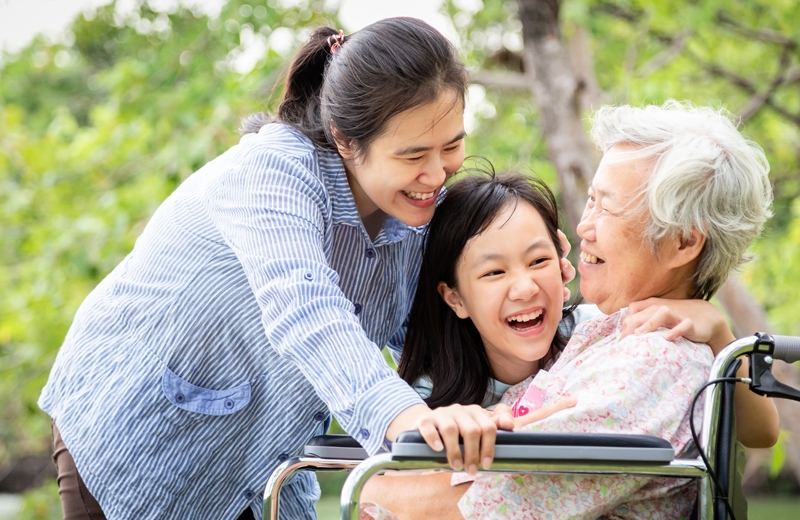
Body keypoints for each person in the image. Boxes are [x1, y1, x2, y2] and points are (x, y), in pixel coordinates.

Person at [39, 18, 508, 520]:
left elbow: (435, 335)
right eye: (413, 154)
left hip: (264, 454)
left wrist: (531, 278)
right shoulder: (271, 172)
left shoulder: (417, 212)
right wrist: (407, 419)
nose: (437, 176)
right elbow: (307, 312)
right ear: (345, 141)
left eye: (452, 147)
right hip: (137, 436)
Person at [360, 100, 777, 519]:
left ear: (683, 243)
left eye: (607, 207)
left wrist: (723, 339)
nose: (582, 227)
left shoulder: (651, 362)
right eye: (590, 201)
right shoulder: (602, 337)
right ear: (455, 297)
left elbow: (451, 504)